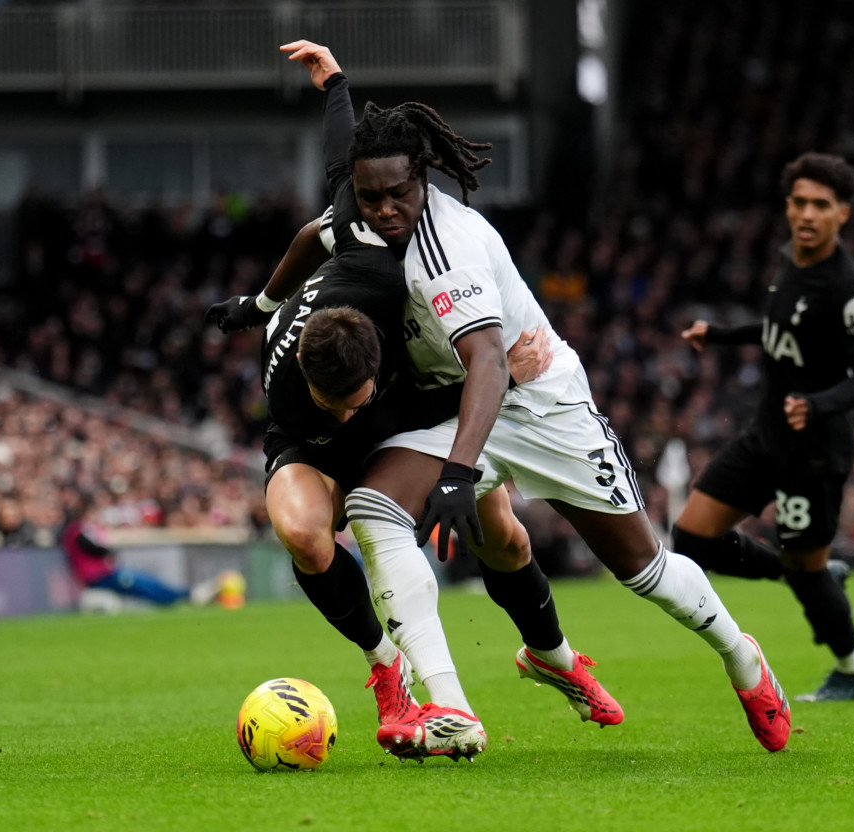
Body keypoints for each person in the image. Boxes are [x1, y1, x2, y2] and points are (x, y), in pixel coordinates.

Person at [279, 41, 790, 755]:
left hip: (537, 402)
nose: (386, 210)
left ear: (422, 178)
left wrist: (459, 474)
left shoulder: (444, 248)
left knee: (645, 572)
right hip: (453, 405)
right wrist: (335, 83)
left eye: (399, 193)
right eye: (372, 197)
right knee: (374, 509)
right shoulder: (361, 206)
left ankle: (743, 658)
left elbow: (488, 361)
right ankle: (451, 709)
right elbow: (340, 168)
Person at [205, 46, 621, 762]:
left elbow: (346, 161)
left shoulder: (391, 248)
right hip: (319, 446)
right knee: (305, 533)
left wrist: (335, 83)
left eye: (353, 401)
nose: (386, 209)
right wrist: (266, 308)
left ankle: (554, 656)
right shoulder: (298, 391)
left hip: (411, 412)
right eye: (334, 403)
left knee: (507, 539)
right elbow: (313, 240)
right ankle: (386, 673)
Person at [670, 152, 854, 702]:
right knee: (691, 537)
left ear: (843, 214)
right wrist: (718, 334)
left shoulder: (849, 292)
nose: (808, 214)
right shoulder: (793, 262)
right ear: (788, 207)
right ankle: (804, 575)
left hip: (813, 451)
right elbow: (777, 328)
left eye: (821, 205)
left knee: (807, 568)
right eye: (800, 203)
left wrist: (817, 403)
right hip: (765, 434)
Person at [61, 509, 220, 607]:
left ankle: (183, 595)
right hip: (100, 576)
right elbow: (95, 548)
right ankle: (187, 596)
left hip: (105, 573)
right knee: (143, 584)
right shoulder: (77, 531)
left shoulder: (78, 531)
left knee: (147, 582)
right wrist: (108, 550)